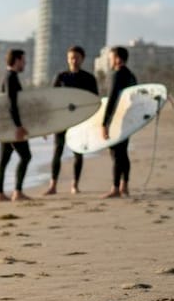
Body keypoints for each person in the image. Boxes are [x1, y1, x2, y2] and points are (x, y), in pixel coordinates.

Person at [47, 45, 99, 195]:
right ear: (67, 59)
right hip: (62, 120)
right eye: (71, 58)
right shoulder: (61, 77)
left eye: (76, 58)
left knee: (78, 152)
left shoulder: (89, 78)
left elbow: (94, 101)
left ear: (82, 59)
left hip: (79, 121)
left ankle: (75, 185)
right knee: (57, 151)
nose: (73, 61)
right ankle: (53, 185)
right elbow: (52, 99)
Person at [101, 46, 138, 198]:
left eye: (110, 58)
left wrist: (105, 123)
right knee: (123, 152)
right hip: (129, 119)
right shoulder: (131, 75)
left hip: (118, 119)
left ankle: (115, 188)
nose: (109, 61)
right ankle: (125, 186)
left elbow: (112, 99)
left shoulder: (117, 75)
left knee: (116, 153)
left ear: (117, 59)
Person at [0, 49, 32, 202]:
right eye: (23, 60)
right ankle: (17, 192)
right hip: (13, 127)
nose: (25, 63)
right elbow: (12, 104)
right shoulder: (11, 77)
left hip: (7, 125)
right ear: (16, 60)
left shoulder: (8, 76)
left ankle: (0, 194)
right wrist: (18, 126)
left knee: (3, 160)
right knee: (26, 156)